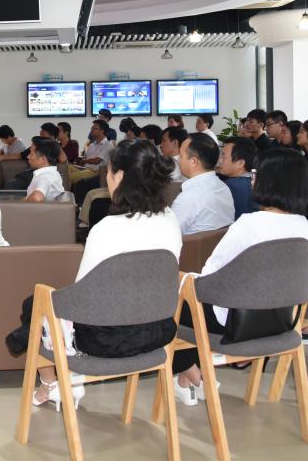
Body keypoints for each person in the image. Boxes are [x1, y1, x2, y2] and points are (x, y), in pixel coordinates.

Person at [11, 139, 181, 410]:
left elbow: (83, 296)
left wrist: (48, 300)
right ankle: (55, 384)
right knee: (40, 307)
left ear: (120, 176)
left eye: (109, 171)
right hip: (157, 331)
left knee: (35, 305)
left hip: (104, 341)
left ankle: (51, 384)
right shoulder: (170, 219)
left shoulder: (107, 229)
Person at [172, 148, 308, 405]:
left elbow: (209, 275)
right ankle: (186, 380)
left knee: (168, 309)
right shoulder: (302, 225)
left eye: (256, 173)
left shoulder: (250, 224)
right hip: (278, 319)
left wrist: (182, 280)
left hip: (234, 323)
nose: (252, 178)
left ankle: (196, 376)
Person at [172, 133, 235, 235]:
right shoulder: (224, 188)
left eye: (181, 156)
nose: (179, 160)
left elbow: (167, 234)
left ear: (193, 161)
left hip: (189, 245)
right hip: (218, 244)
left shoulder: (189, 197)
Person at [216, 137, 258, 219]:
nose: (220, 161)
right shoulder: (253, 181)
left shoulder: (231, 186)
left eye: (223, 156)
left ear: (240, 163)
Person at [24, 138, 66, 203]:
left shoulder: (44, 177)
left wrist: (19, 204)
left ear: (43, 159)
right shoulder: (52, 173)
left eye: (31, 154)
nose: (28, 156)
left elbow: (37, 198)